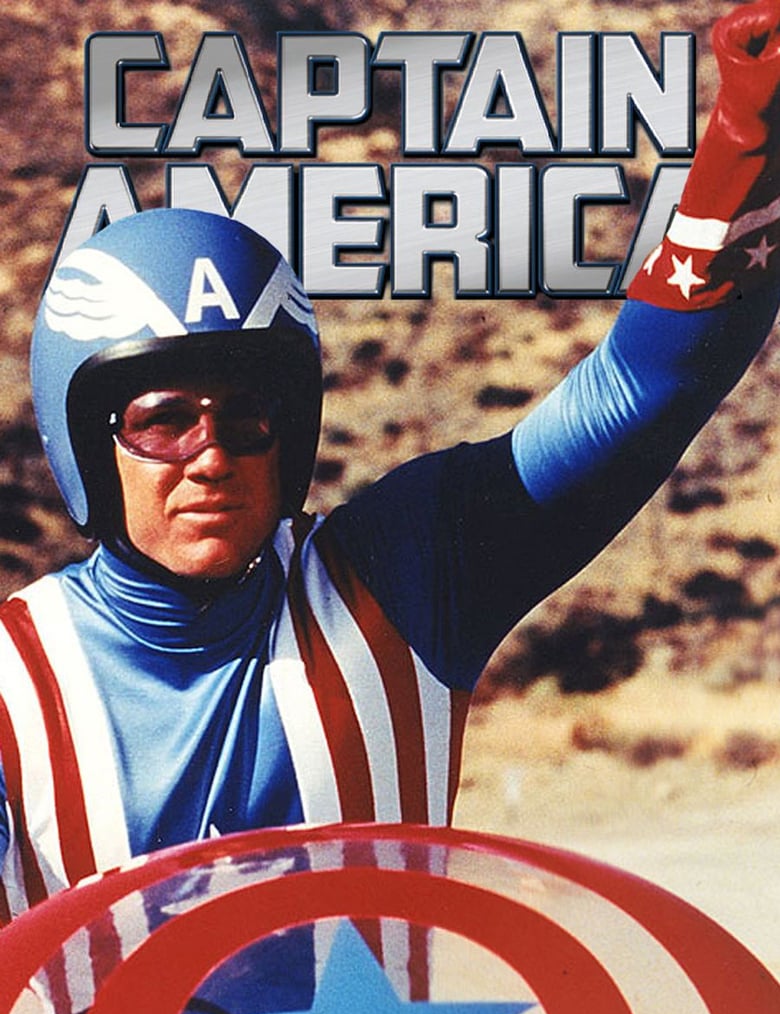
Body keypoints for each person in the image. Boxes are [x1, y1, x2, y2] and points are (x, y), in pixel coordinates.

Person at [1, 0, 780, 921]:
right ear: (87, 445)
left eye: (249, 416)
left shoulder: (401, 580)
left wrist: (746, 142)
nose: (210, 457)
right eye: (164, 421)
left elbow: (641, 390)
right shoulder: (10, 685)